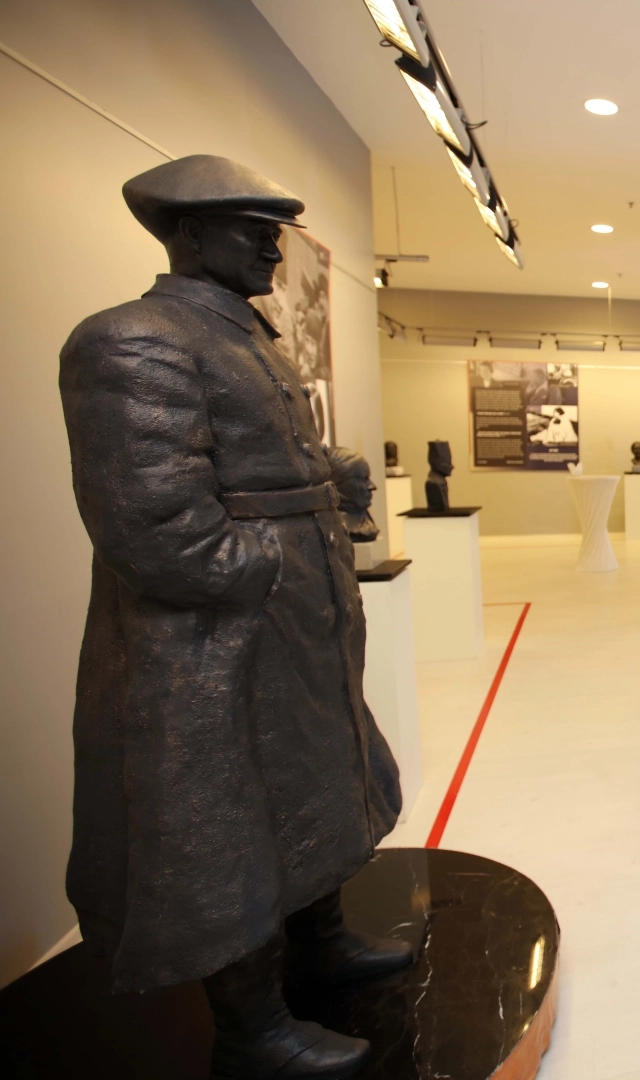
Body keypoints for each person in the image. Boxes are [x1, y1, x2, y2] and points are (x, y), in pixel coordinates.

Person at [58, 155, 409, 1079]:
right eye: (251, 231)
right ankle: (254, 1030)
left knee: (311, 785)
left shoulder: (245, 337)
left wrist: (329, 484)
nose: (271, 249)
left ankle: (321, 947)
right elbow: (155, 525)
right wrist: (266, 568)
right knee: (226, 821)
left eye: (274, 232)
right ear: (186, 233)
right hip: (213, 641)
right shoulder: (131, 340)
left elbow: (267, 463)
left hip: (289, 626)